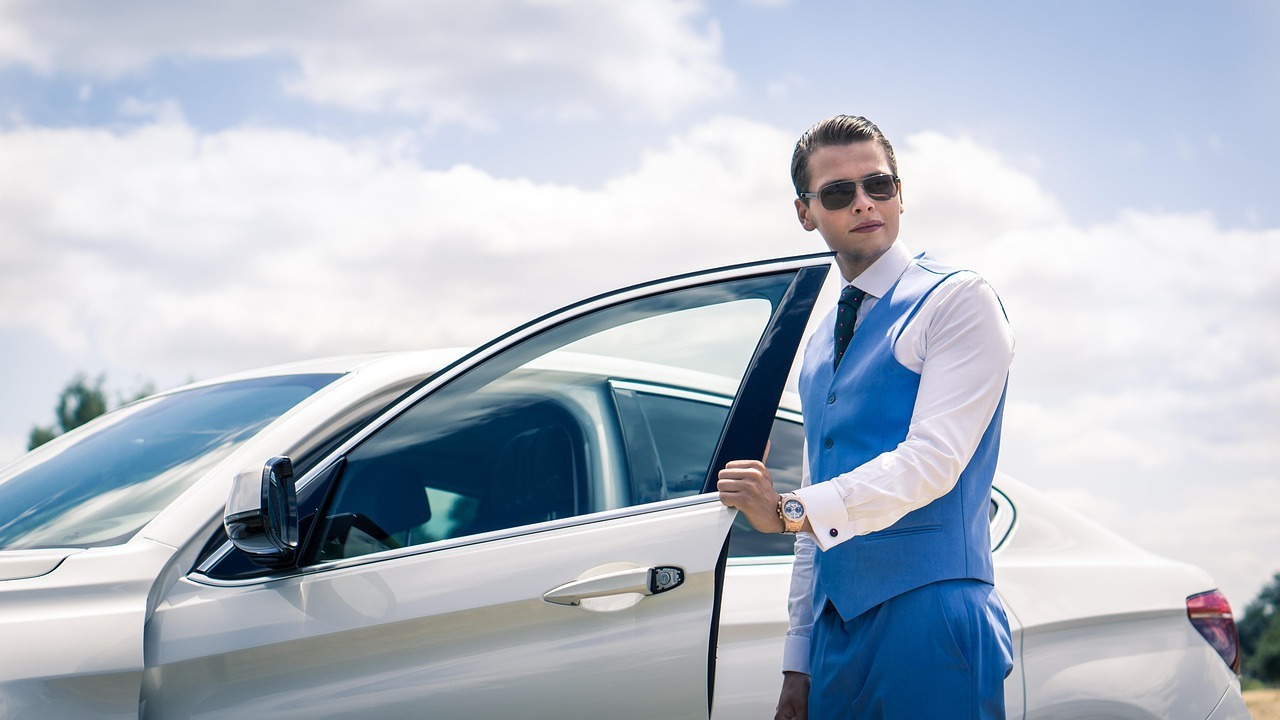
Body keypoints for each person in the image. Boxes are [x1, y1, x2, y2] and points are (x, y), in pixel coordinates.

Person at [717, 115, 1015, 719]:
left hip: (932, 620)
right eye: (837, 192)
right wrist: (798, 661)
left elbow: (932, 462)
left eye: (877, 184)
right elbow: (817, 498)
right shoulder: (818, 342)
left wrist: (787, 511)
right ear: (805, 213)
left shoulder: (959, 301)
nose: (863, 202)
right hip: (835, 636)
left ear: (900, 193)